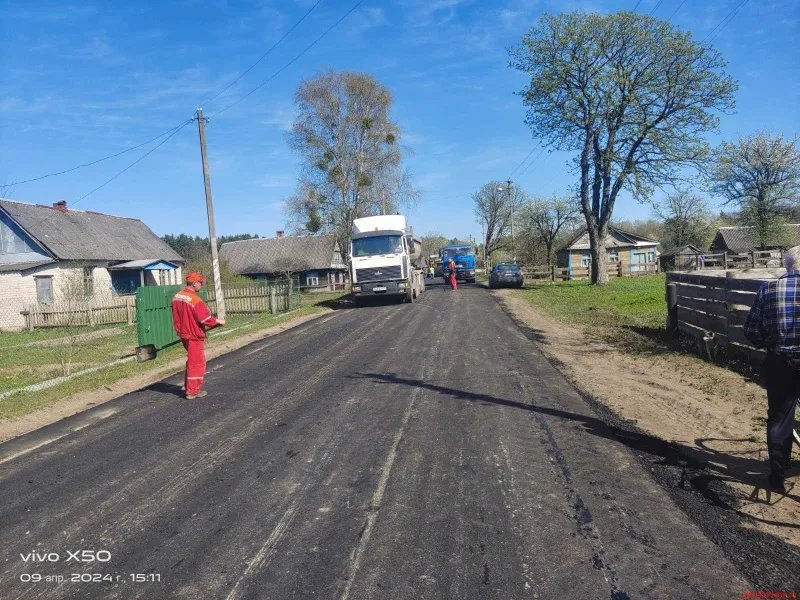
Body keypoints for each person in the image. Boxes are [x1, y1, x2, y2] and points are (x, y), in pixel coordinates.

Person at [743, 246, 800, 493]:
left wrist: (772, 343)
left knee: (779, 416)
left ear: (786, 265)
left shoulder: (768, 290)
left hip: (780, 362)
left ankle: (778, 473)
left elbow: (752, 331)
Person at [171, 272, 225, 399]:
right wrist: (218, 321)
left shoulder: (177, 297)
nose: (201, 284)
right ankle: (192, 391)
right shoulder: (195, 300)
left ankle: (188, 385)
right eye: (200, 282)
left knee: (191, 360)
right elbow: (205, 319)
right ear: (194, 283)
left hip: (183, 333)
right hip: (194, 334)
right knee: (197, 363)